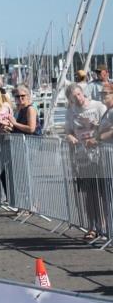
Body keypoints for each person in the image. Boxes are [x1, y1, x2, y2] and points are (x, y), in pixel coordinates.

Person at [64, 83, 107, 239]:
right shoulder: (71, 112)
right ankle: (92, 226)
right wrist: (69, 136)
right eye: (74, 97)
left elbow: (108, 125)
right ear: (70, 100)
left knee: (103, 193)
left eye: (78, 94)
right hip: (82, 156)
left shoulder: (98, 106)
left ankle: (103, 226)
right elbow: (68, 130)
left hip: (101, 155)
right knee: (89, 194)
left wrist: (98, 131)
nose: (78, 98)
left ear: (83, 93)